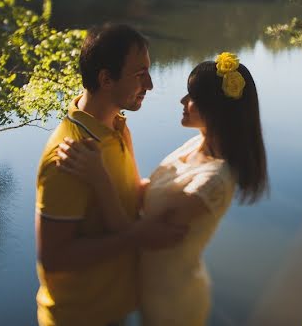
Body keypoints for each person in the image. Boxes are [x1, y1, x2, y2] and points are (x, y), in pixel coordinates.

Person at [56, 52, 268, 326]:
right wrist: (123, 138)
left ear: (216, 109)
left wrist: (98, 176)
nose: (183, 102)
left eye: (192, 98)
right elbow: (145, 194)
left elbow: (136, 233)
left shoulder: (214, 181)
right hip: (150, 290)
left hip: (172, 303)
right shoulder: (197, 144)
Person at [35, 24, 187, 326]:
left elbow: (127, 195)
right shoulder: (69, 156)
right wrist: (139, 236)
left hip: (114, 310)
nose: (151, 85)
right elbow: (54, 257)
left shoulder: (116, 126)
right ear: (106, 79)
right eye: (139, 74)